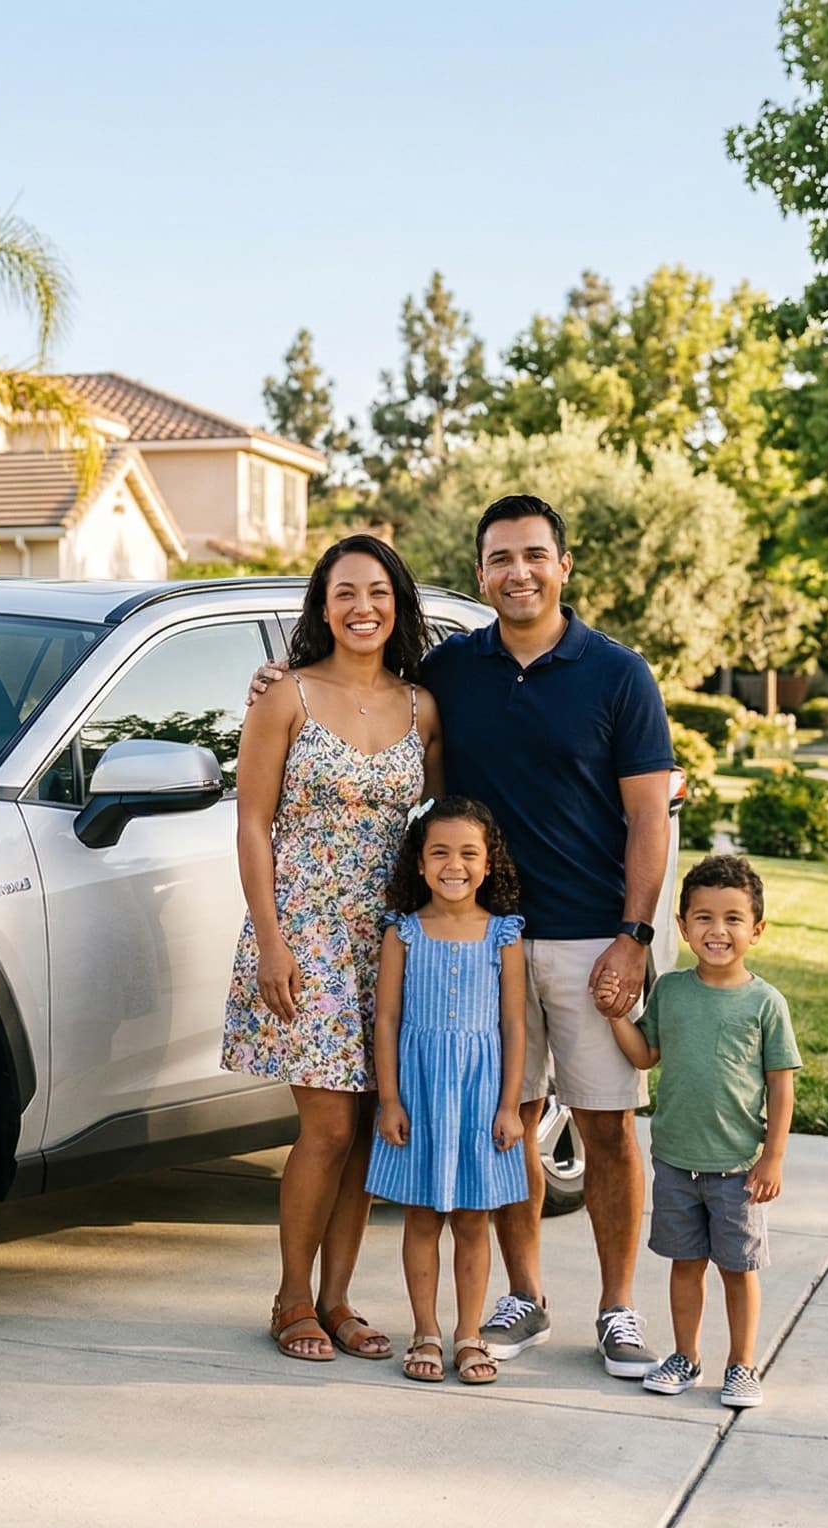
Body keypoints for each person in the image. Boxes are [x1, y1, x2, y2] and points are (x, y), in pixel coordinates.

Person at [251, 494, 674, 1379]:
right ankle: (516, 1296)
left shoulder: (618, 674)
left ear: (563, 564)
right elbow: (351, 731)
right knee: (504, 1124)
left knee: (605, 1129)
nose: (517, 572)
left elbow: (651, 816)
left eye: (533, 555)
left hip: (590, 935)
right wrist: (266, 686)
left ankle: (618, 1308)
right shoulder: (453, 671)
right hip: (463, 945)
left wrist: (635, 935)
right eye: (499, 559)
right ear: (479, 575)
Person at [226, 533, 442, 1363]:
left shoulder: (423, 707)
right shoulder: (287, 697)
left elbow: (446, 824)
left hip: (386, 938)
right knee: (326, 1125)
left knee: (362, 1132)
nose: (363, 608)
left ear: (398, 606)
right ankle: (290, 1298)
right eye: (346, 592)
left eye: (379, 593)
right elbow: (250, 821)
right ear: (323, 605)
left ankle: (340, 1299)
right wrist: (271, 940)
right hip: (305, 931)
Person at [608, 853, 799, 1409]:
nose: (718, 931)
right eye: (704, 918)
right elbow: (645, 1056)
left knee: (738, 1270)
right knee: (684, 1265)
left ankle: (741, 1365)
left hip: (738, 1168)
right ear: (683, 926)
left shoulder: (765, 1003)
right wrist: (616, 1016)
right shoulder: (670, 991)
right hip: (675, 1161)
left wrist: (774, 1157)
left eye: (733, 919)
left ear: (756, 930)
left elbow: (782, 1086)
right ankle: (685, 1356)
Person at [366, 797, 529, 1386]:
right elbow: (385, 1019)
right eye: (439, 852)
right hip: (418, 1089)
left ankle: (469, 1333)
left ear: (489, 864)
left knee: (472, 1219)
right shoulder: (403, 932)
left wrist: (510, 1105)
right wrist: (389, 1100)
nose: (453, 864)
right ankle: (426, 1331)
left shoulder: (504, 935)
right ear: (419, 863)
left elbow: (515, 1024)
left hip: (482, 1093)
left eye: (468, 853)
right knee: (420, 1216)